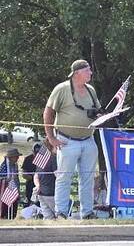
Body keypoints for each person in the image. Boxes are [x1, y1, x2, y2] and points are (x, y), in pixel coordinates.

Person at [43, 59, 101, 219]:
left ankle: (87, 212)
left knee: (87, 178)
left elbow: (97, 110)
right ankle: (60, 212)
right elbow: (48, 113)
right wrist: (52, 138)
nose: (90, 72)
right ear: (77, 73)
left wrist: (100, 115)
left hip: (88, 140)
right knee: (64, 177)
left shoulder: (91, 90)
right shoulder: (61, 89)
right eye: (87, 70)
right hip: (66, 140)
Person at [34, 138, 57, 220]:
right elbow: (58, 175)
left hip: (41, 193)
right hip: (52, 193)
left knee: (48, 218)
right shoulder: (53, 158)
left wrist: (38, 186)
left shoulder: (40, 157)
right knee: (59, 216)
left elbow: (36, 176)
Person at [0, 148, 22, 219]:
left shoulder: (15, 165)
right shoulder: (4, 167)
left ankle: (12, 217)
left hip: (14, 188)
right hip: (6, 190)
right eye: (16, 156)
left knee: (14, 206)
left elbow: (17, 178)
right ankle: (4, 216)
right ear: (11, 157)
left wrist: (18, 189)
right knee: (5, 206)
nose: (18, 158)